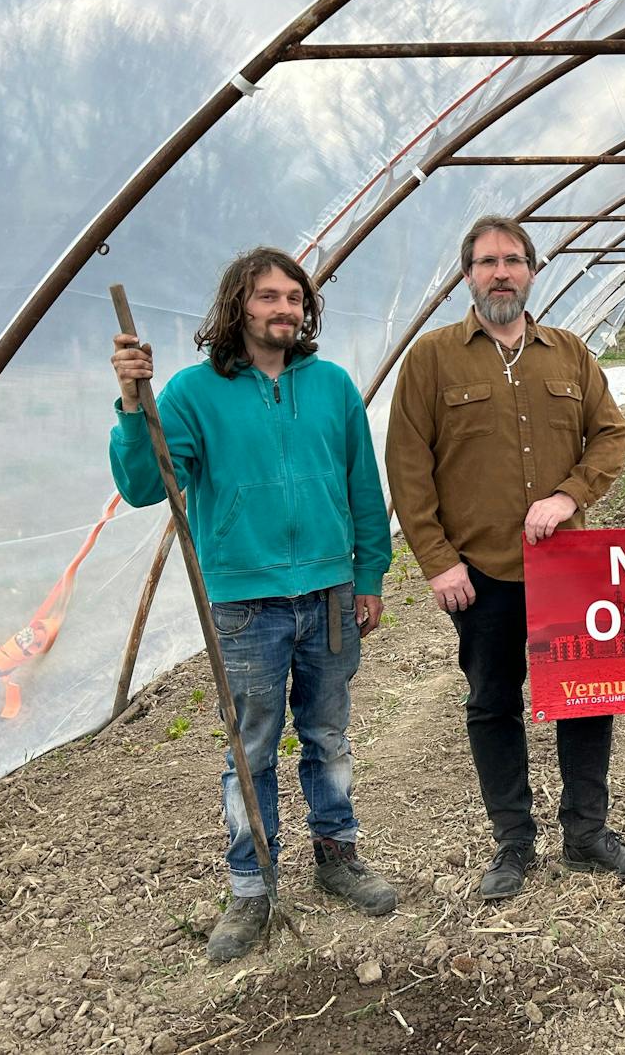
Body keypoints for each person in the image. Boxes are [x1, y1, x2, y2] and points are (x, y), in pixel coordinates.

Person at [108, 248, 396, 962]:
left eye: (295, 299)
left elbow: (363, 485)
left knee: (328, 736)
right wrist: (132, 407)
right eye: (269, 297)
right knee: (251, 748)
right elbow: (150, 486)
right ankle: (251, 887)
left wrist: (369, 574)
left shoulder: (330, 387)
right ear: (238, 306)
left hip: (329, 592)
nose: (285, 309)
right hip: (245, 601)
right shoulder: (190, 394)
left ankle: (337, 856)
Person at [385, 214, 625, 901]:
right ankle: (513, 842)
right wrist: (436, 559)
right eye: (486, 262)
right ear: (467, 275)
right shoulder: (433, 358)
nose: (500, 272)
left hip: (567, 568)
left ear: (533, 271)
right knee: (492, 704)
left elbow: (610, 437)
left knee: (588, 700)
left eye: (512, 260)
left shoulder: (567, 353)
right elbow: (408, 465)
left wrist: (569, 496)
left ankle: (587, 834)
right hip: (480, 572)